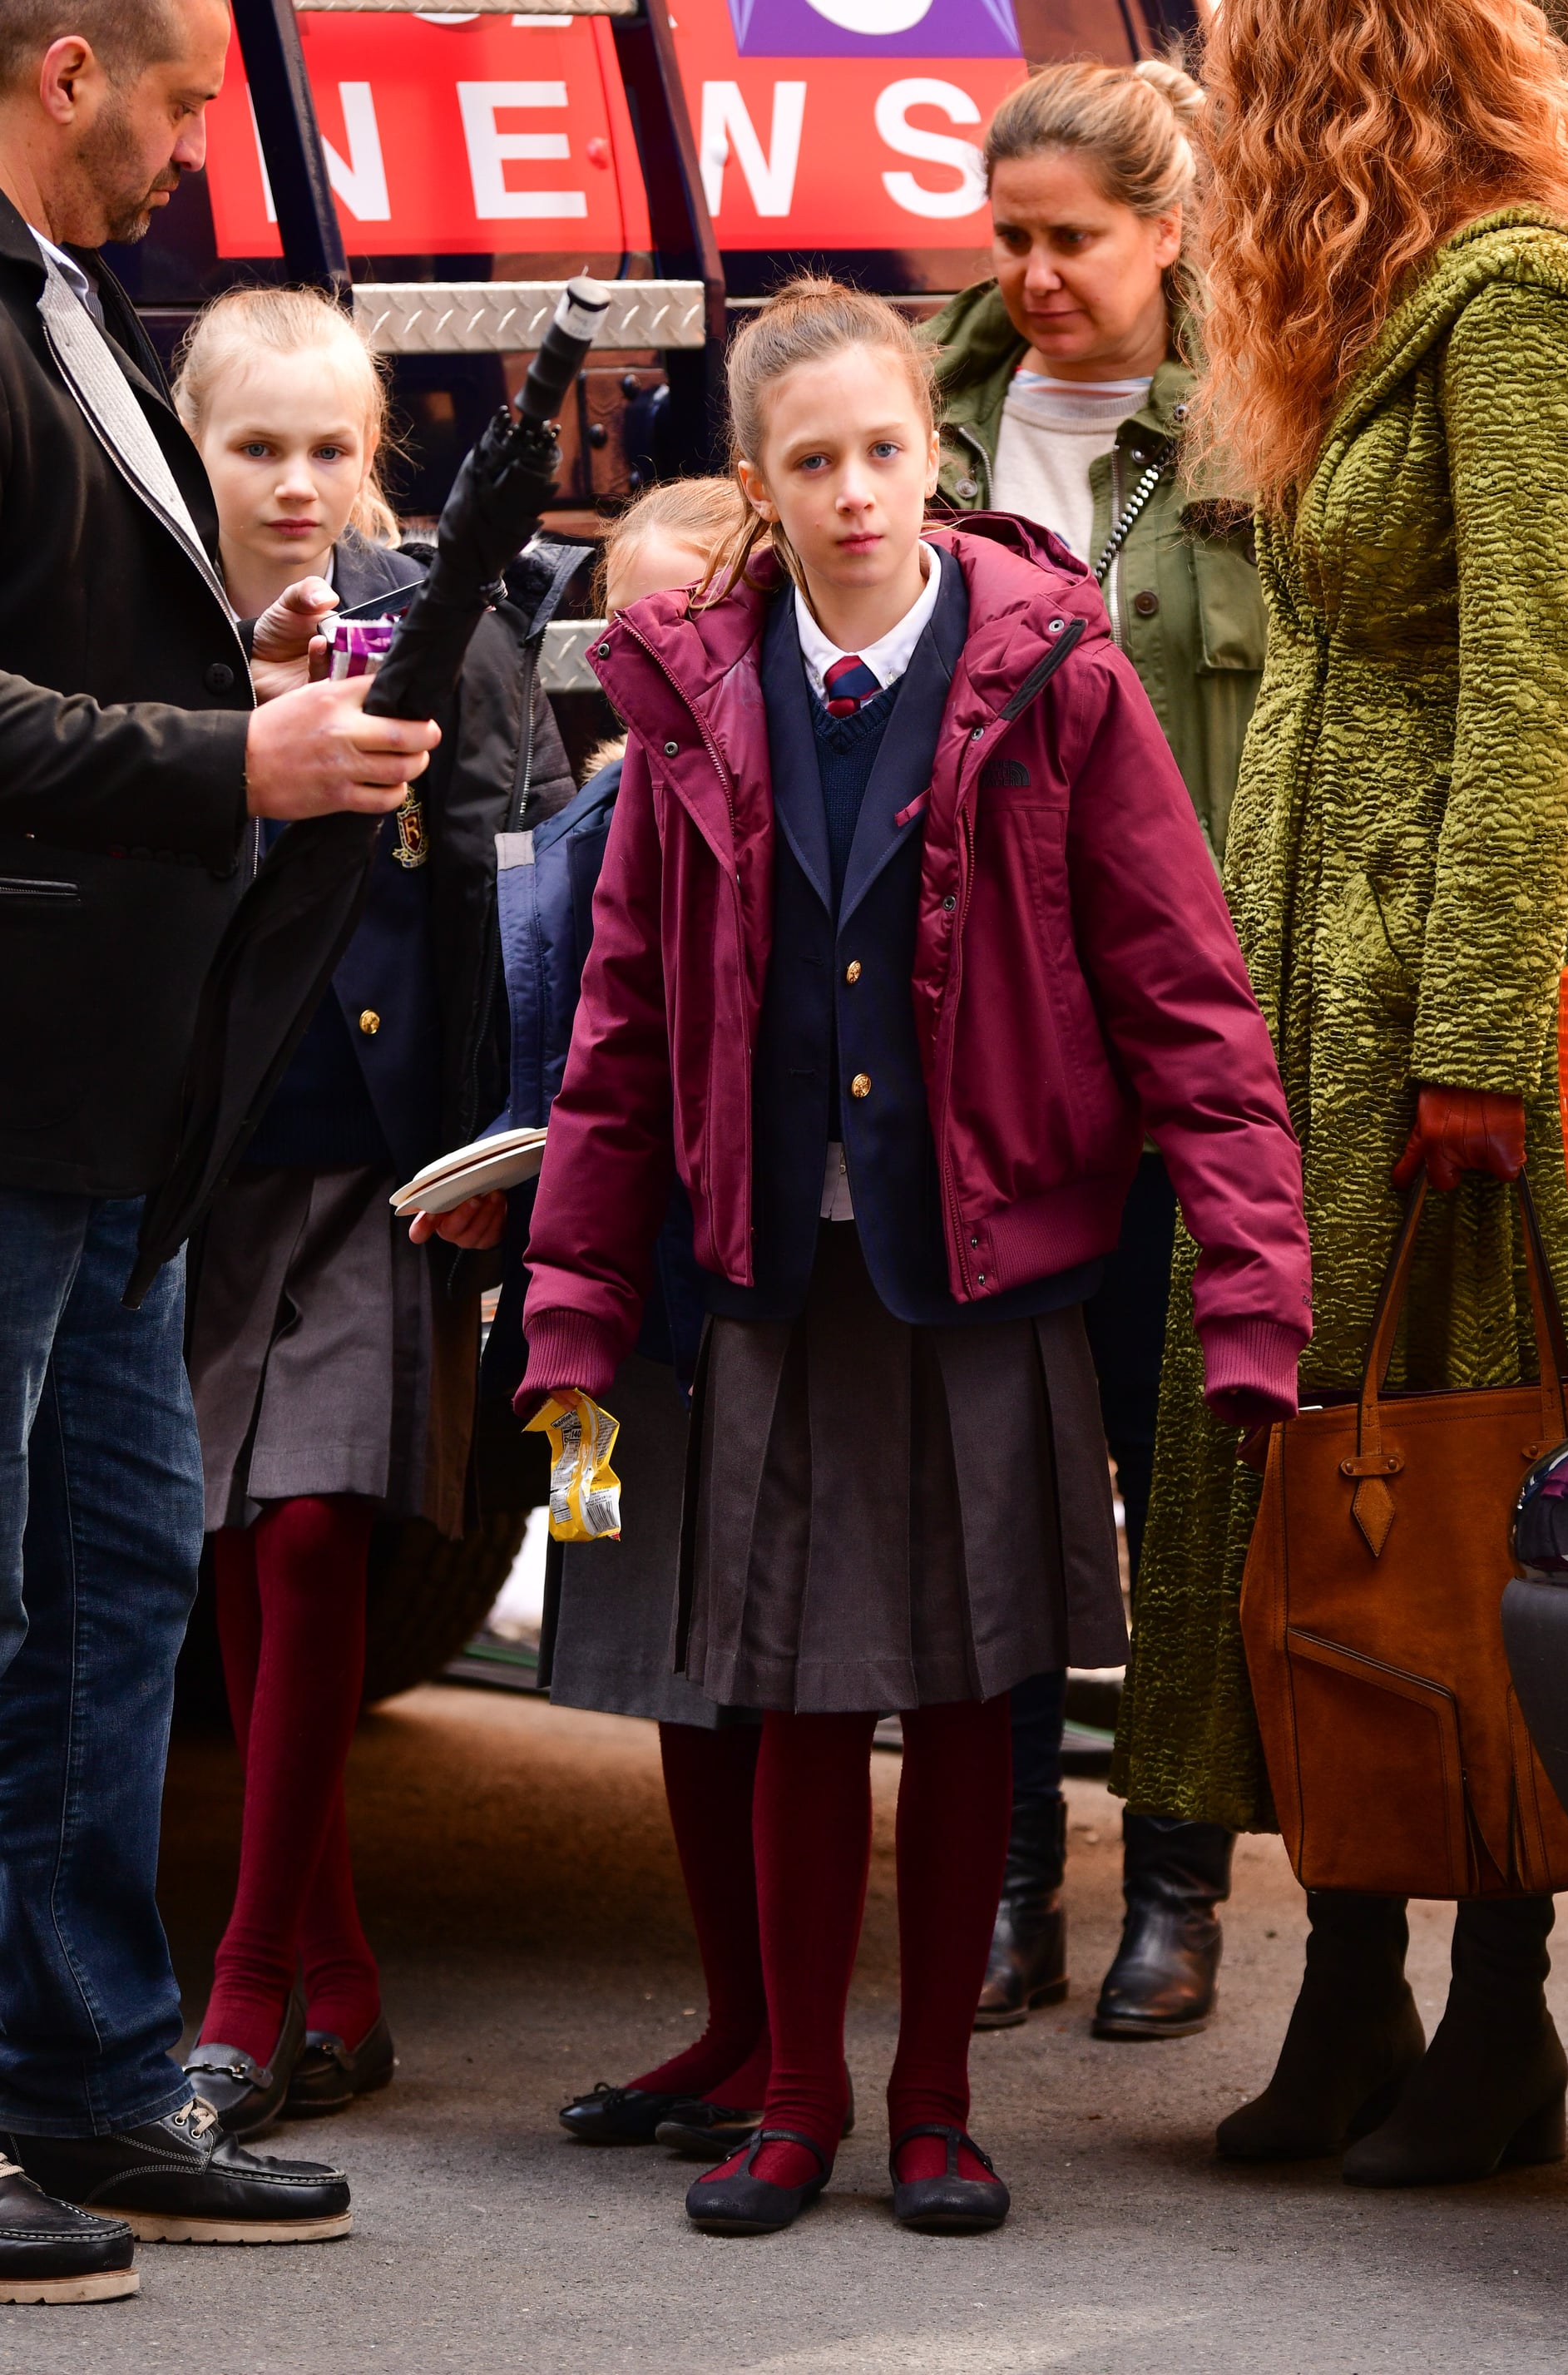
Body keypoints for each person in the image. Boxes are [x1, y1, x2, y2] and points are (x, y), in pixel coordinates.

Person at [517, 275, 1311, 2239]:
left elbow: (1186, 995)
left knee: (974, 1693)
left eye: (886, 450)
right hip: (777, 1272)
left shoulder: (1061, 674)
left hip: (991, 1277)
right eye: (814, 462)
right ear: (760, 484)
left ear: (929, 455)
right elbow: (621, 1032)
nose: (858, 492)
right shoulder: (693, 696)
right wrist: (579, 1301)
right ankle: (793, 2100)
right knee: (788, 1691)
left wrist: (1250, 1287)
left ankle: (939, 2103)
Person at [1113, 0, 1568, 2188]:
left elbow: (1546, 684)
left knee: (1437, 1480)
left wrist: (1472, 1038)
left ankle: (1505, 2017)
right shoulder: (1353, 305)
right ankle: (1349, 1985)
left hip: (1412, 1013)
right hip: (1289, 991)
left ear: (1339, 71)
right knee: (1305, 1474)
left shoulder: (1526, 300)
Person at [0, 0, 448, 2303]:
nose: (199, 150)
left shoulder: (68, 302)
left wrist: (241, 676)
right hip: (17, 1076)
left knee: (112, 1605)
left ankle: (87, 2075)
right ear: (71, 67)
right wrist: (223, 766)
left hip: (114, 1102)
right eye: (184, 102)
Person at [168, 283, 572, 2135]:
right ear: (190, 447)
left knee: (323, 1527)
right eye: (257, 447)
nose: (298, 483)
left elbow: (522, 856)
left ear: (379, 459)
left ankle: (245, 1986)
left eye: (333, 449)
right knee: (239, 1548)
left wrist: (517, 1128)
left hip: (378, 1158)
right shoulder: (141, 616)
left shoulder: (442, 614)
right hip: (193, 1156)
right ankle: (336, 1975)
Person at [930, 57, 1265, 2043]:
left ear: (1166, 234)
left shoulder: (1253, 428)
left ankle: (1175, 1886)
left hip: (1177, 1039)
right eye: (1013, 240)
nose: (1039, 276)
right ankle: (998, 1886)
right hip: (981, 1050)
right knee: (988, 1479)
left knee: (1179, 1478)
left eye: (1074, 239)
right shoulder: (938, 423)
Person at [488, 477, 784, 2159]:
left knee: (755, 1670)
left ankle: (766, 2034)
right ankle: (727, 2017)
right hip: (609, 1342)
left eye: (700, 622)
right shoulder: (584, 825)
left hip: (733, 1305)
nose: (664, 662)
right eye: (632, 631)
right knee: (655, 1663)